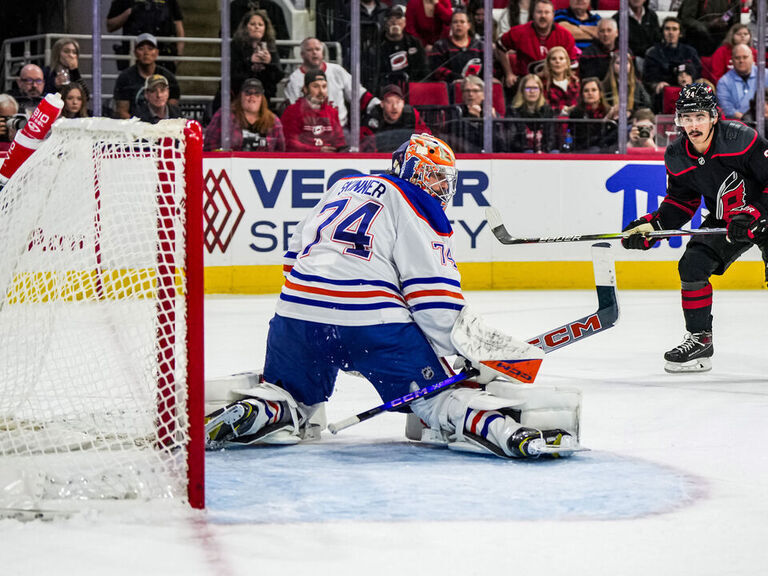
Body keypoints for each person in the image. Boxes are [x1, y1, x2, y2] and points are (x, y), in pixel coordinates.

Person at [203, 132, 570, 460]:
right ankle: (505, 432)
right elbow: (436, 303)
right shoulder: (417, 205)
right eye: (431, 176)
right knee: (440, 398)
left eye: (444, 180)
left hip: (296, 317)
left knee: (295, 397)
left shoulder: (342, 186)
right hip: (372, 328)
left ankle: (262, 410)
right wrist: (471, 351)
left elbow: (293, 258)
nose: (439, 188)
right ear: (408, 169)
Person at [621, 83, 768, 373]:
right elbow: (681, 202)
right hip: (726, 219)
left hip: (764, 211)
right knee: (692, 266)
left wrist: (755, 212)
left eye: (699, 116)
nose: (693, 124)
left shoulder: (741, 139)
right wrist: (654, 226)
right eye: (686, 118)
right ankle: (700, 340)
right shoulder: (677, 155)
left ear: (714, 116)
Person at [283, 37, 379, 128]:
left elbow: (358, 94)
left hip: (340, 128)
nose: (314, 53)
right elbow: (292, 112)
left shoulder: (337, 70)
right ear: (302, 54)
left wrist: (379, 105)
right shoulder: (295, 79)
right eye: (309, 50)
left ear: (323, 53)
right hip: (309, 131)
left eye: (317, 49)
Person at [496, 0, 578, 89]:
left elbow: (573, 63)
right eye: (539, 12)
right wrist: (509, 74)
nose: (543, 16)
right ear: (533, 14)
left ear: (553, 15)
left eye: (547, 12)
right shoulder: (519, 32)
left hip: (555, 84)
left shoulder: (565, 35)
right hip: (526, 83)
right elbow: (500, 46)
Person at [205, 78, 285, 152]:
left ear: (262, 98)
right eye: (248, 93)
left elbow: (280, 151)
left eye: (257, 93)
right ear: (241, 96)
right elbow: (210, 145)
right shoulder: (224, 115)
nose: (252, 96)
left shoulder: (273, 121)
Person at [113, 33, 181, 119]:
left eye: (150, 48)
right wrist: (139, 127)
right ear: (135, 52)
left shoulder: (169, 77)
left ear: (157, 52)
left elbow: (171, 111)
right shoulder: (125, 78)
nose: (146, 53)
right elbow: (122, 111)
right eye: (141, 49)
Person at [107, 0, 185, 73]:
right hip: (134, 58)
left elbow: (179, 29)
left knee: (161, 85)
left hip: (164, 58)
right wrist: (130, 12)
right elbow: (110, 26)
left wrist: (178, 56)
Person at [643, 17, 701, 112]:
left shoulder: (690, 51)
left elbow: (698, 71)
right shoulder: (653, 53)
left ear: (680, 33)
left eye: (674, 29)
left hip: (688, 90)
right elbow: (648, 79)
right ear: (662, 32)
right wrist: (656, 85)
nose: (671, 32)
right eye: (667, 29)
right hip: (664, 92)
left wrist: (690, 78)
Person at [281, 69, 346, 152]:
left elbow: (339, 141)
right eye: (315, 86)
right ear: (305, 89)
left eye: (324, 86)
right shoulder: (292, 111)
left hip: (328, 161)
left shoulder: (332, 112)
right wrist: (317, 150)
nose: (321, 91)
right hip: (301, 161)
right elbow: (290, 143)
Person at [230, 9, 284, 100]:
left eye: (260, 25)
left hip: (264, 95)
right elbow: (233, 73)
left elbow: (278, 76)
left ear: (265, 28)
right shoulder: (236, 45)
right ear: (245, 27)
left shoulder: (270, 46)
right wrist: (250, 62)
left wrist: (269, 63)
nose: (257, 27)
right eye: (252, 24)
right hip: (239, 94)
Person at [360, 84, 431, 152]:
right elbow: (365, 149)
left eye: (398, 102)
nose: (394, 107)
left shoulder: (411, 115)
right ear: (382, 104)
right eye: (389, 102)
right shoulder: (373, 119)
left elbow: (426, 140)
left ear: (403, 103)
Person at [375, 5, 429, 93]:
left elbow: (424, 70)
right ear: (385, 23)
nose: (394, 22)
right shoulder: (377, 44)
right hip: (386, 90)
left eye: (398, 18)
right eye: (391, 18)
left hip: (411, 89)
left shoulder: (414, 43)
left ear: (404, 22)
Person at [428, 8, 484, 83]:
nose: (458, 25)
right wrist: (457, 78)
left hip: (478, 87)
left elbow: (489, 69)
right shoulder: (440, 46)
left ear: (469, 25)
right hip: (449, 87)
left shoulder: (480, 46)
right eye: (455, 22)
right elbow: (436, 70)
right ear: (451, 26)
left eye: (462, 22)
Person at [454, 75, 507, 153]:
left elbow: (501, 144)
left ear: (483, 95)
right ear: (462, 94)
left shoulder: (491, 112)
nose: (471, 94)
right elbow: (459, 140)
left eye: (475, 91)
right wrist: (472, 118)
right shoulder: (456, 112)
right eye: (467, 91)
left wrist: (491, 121)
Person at [505, 73, 555, 153]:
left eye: (535, 88)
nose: (532, 91)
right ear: (522, 91)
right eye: (528, 88)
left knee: (555, 152)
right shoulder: (513, 112)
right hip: (522, 154)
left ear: (540, 91)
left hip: (544, 153)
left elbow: (551, 139)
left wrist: (543, 151)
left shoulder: (547, 111)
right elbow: (512, 140)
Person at [716, 44, 768, 120]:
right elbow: (726, 108)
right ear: (732, 60)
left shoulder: (765, 74)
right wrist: (746, 119)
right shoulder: (723, 82)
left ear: (752, 58)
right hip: (737, 124)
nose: (741, 61)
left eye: (745, 57)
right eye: (737, 58)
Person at [567, 77, 618, 153]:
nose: (590, 93)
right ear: (582, 95)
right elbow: (582, 141)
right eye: (586, 91)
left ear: (600, 93)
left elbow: (613, 138)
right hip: (582, 150)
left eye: (594, 90)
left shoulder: (609, 111)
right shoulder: (576, 113)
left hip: (606, 150)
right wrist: (604, 121)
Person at [612, 0, 661, 70]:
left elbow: (657, 40)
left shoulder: (652, 16)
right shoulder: (618, 18)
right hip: (630, 60)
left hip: (651, 58)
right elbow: (618, 44)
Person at [541, 45, 580, 117]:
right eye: (553, 59)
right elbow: (543, 108)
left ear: (567, 63)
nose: (557, 61)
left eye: (561, 58)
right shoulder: (543, 84)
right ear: (549, 64)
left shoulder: (576, 82)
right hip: (553, 122)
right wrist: (563, 109)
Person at [578, 18, 618, 82]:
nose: (605, 34)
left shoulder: (626, 52)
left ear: (616, 33)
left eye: (609, 30)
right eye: (602, 31)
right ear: (598, 34)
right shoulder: (588, 54)